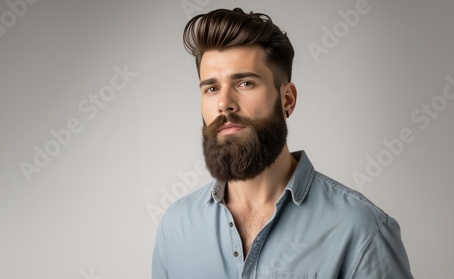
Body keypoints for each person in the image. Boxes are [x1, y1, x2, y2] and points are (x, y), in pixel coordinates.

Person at [152, 7, 413, 279]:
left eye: (245, 83)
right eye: (212, 88)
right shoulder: (175, 228)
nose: (224, 103)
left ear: (287, 99)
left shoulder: (361, 230)